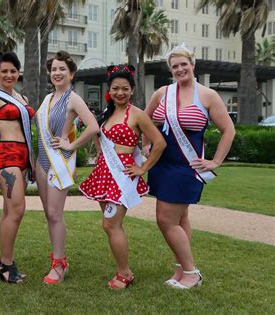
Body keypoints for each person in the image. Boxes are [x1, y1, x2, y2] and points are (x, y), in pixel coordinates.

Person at [144, 43, 235, 289]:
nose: (180, 69)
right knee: (180, 218)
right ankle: (181, 269)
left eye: (184, 64)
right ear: (170, 69)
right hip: (162, 164)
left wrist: (215, 161)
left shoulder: (207, 95)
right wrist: (145, 146)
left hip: (186, 167)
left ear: (193, 65)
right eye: (175, 66)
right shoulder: (162, 93)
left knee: (165, 219)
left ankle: (192, 273)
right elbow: (145, 119)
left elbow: (228, 130)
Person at [79, 65, 166, 289]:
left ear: (132, 90)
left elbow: (159, 143)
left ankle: (125, 273)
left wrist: (143, 168)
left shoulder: (138, 114)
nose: (120, 93)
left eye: (125, 89)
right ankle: (122, 269)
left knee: (110, 225)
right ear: (109, 90)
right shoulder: (107, 113)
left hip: (123, 175)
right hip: (104, 173)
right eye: (115, 88)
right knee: (111, 225)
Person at [35, 51, 99, 284]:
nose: (57, 73)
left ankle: (59, 264)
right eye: (53, 69)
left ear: (71, 74)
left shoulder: (73, 99)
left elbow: (92, 127)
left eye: (62, 69)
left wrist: (71, 144)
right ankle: (57, 258)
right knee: (48, 215)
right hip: (42, 161)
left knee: (55, 213)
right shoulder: (47, 99)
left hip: (59, 161)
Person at [0, 52, 34, 283]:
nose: (9, 75)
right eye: (4, 71)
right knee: (17, 209)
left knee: (8, 211)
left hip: (23, 156)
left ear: (18, 72)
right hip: (8, 154)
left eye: (13, 71)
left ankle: (6, 261)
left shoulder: (22, 97)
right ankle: (5, 263)